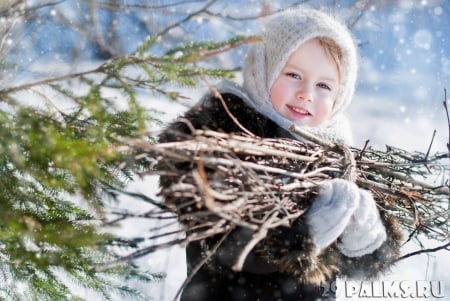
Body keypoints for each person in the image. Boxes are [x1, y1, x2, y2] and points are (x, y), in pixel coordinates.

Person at [158, 6, 402, 301]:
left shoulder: (337, 152)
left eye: (324, 85)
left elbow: (346, 268)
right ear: (264, 68)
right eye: (293, 74)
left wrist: (365, 239)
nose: (306, 93)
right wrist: (303, 236)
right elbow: (222, 245)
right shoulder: (219, 133)